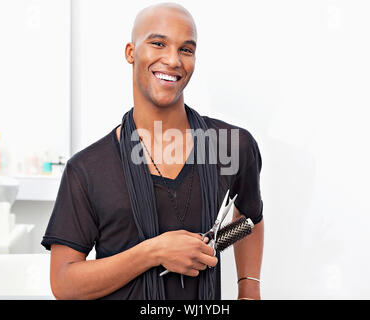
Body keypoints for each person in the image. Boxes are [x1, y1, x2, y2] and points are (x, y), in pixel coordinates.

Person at [41, 2, 264, 300]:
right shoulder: (87, 170)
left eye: (186, 49)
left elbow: (250, 217)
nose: (173, 60)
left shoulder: (231, 145)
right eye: (158, 43)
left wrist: (249, 286)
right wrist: (154, 252)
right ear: (131, 53)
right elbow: (64, 283)